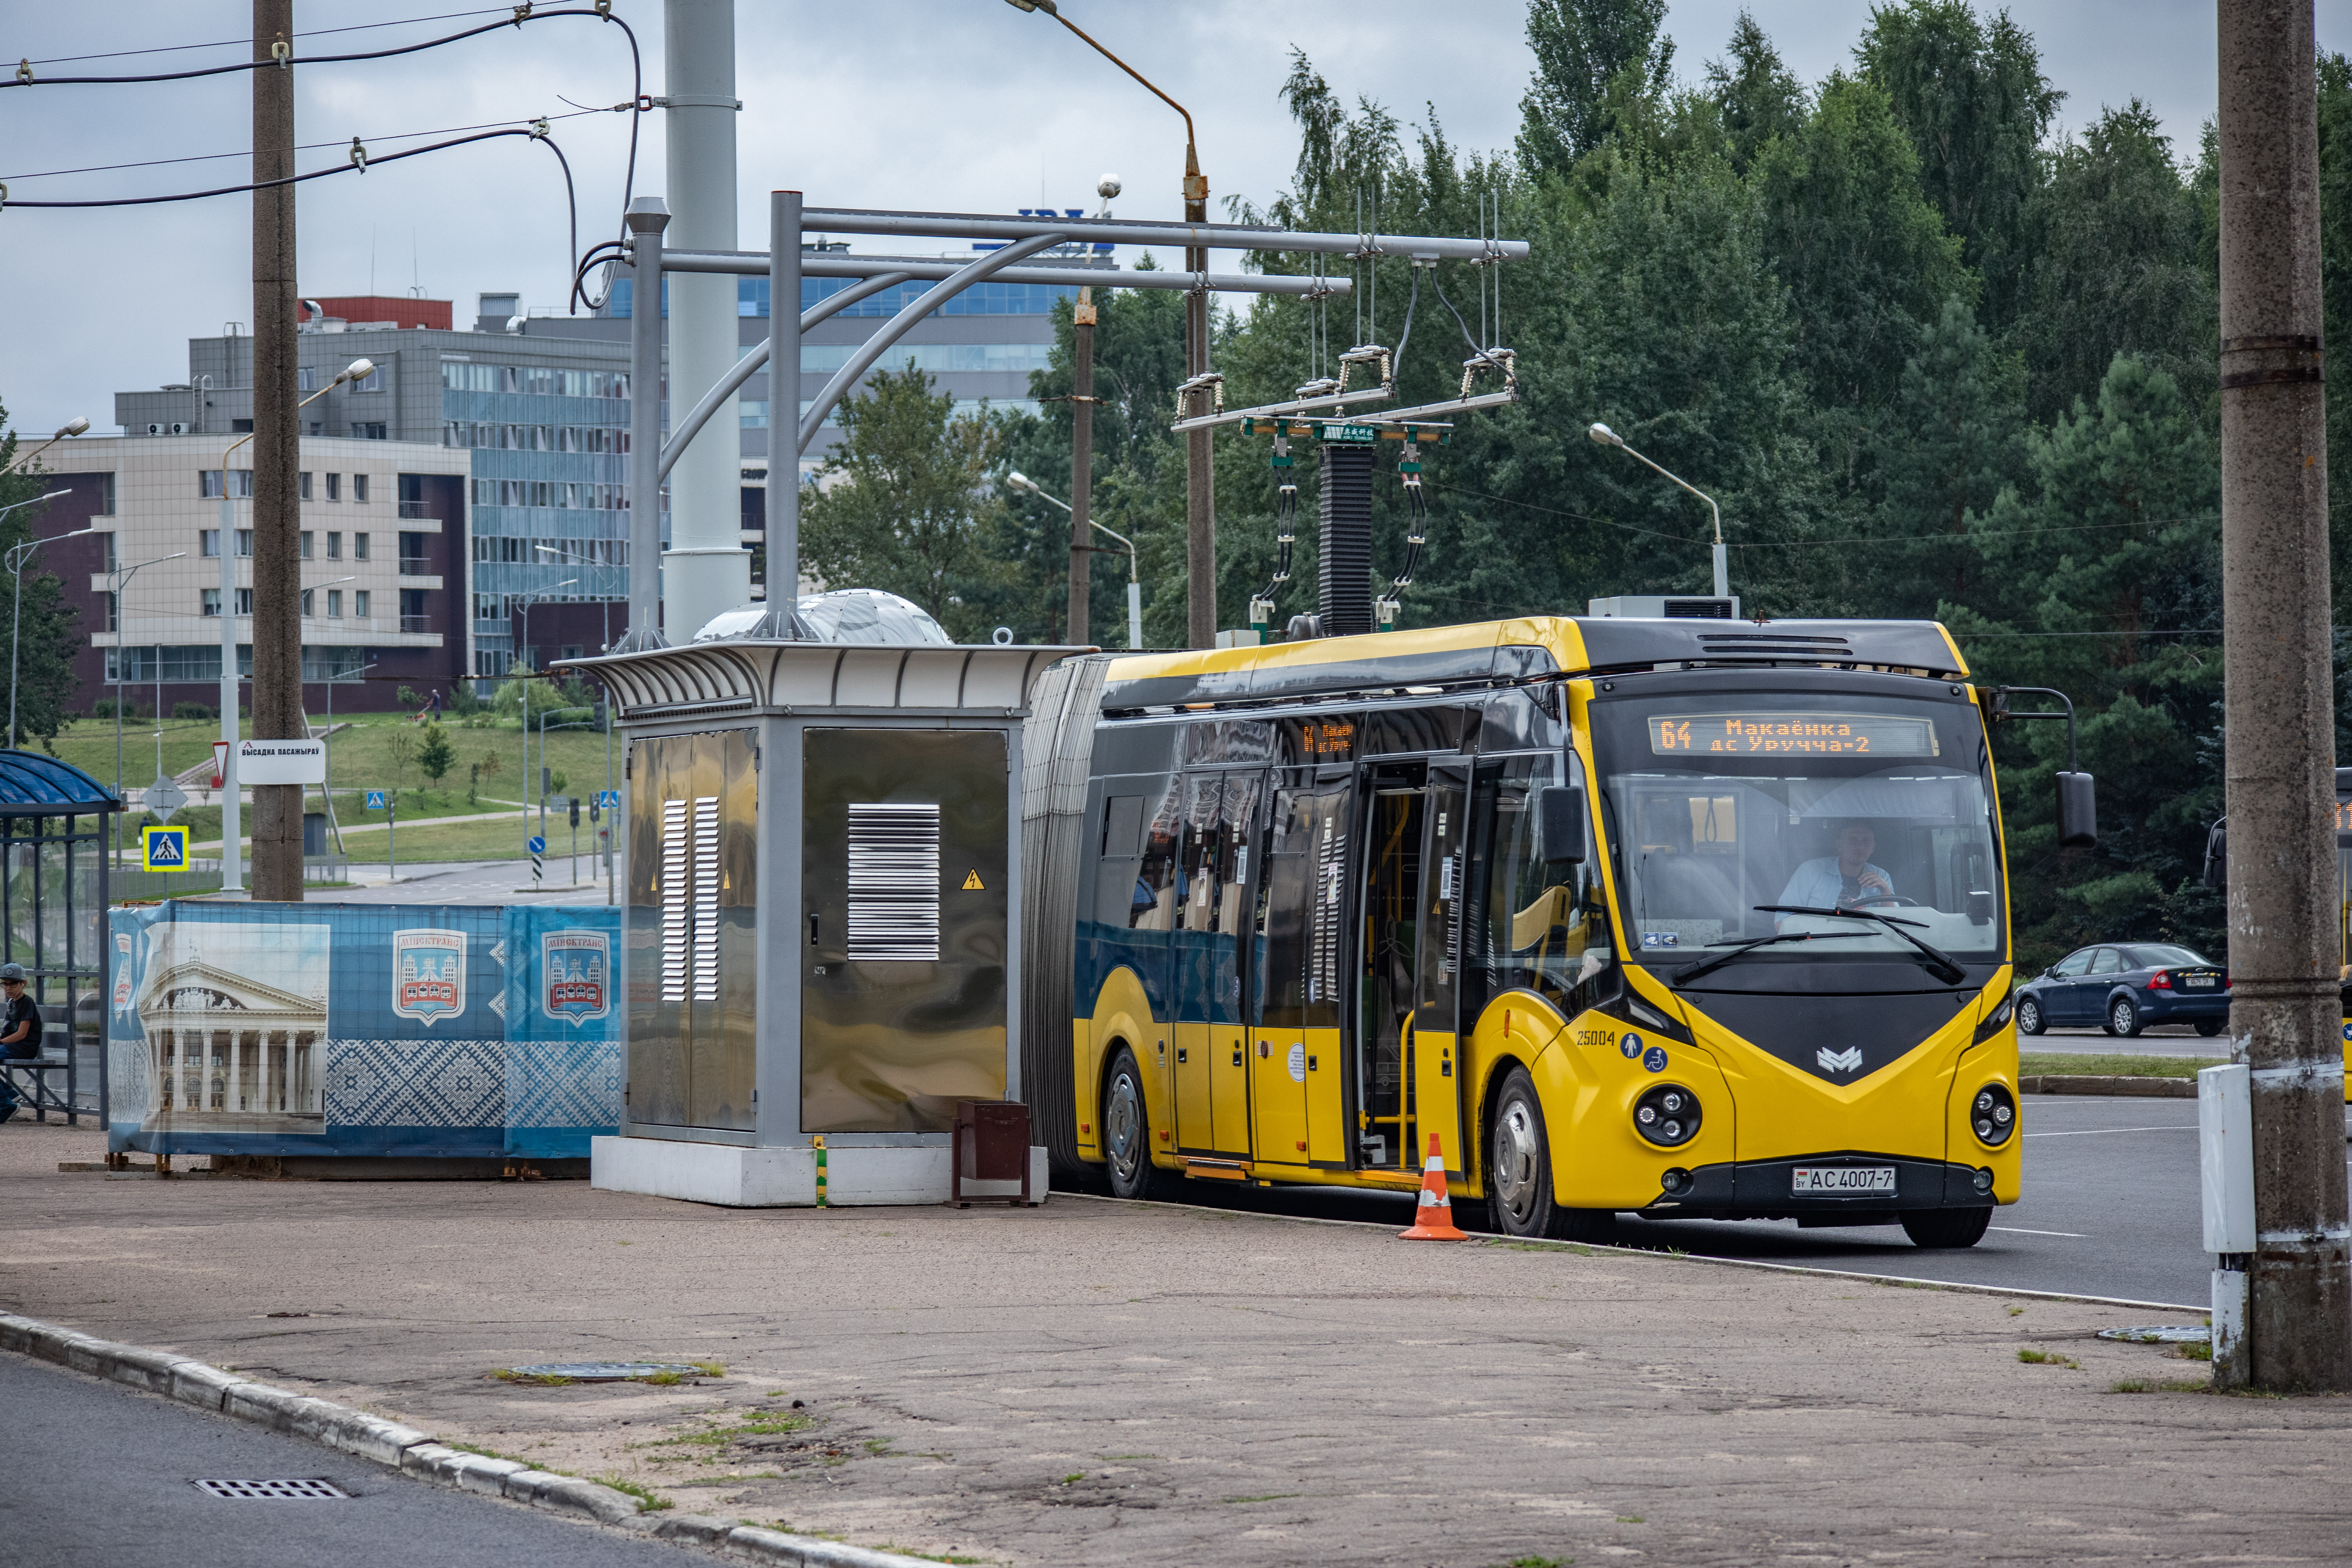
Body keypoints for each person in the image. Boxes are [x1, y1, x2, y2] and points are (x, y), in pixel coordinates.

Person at [1776, 822, 1894, 922]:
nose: (1860, 846)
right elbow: (1782, 921)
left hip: (1869, 946)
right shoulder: (1811, 870)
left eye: (1866, 840)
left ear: (1873, 847)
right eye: (1853, 840)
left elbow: (1896, 927)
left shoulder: (1882, 877)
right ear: (1839, 845)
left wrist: (1885, 890)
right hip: (1818, 944)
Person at [0, 962, 43, 1124]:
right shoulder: (12, 1004)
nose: (8, 988)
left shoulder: (27, 1003)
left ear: (23, 984)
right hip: (13, 1047)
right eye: (5, 984)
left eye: (12, 984)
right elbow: (8, 1032)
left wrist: (1, 1041)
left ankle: (6, 1105)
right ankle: (9, 1095)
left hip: (24, 1048)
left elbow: (21, 1034)